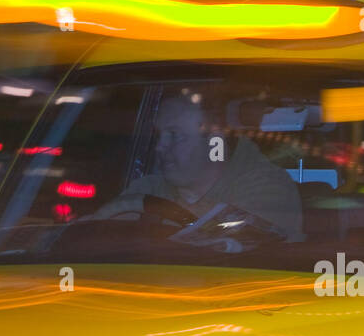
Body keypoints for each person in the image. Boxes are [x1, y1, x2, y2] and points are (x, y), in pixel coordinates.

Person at [93, 91, 303, 241]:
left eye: (175, 135)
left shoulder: (267, 188)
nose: (159, 147)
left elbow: (243, 263)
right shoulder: (147, 188)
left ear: (214, 142)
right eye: (158, 135)